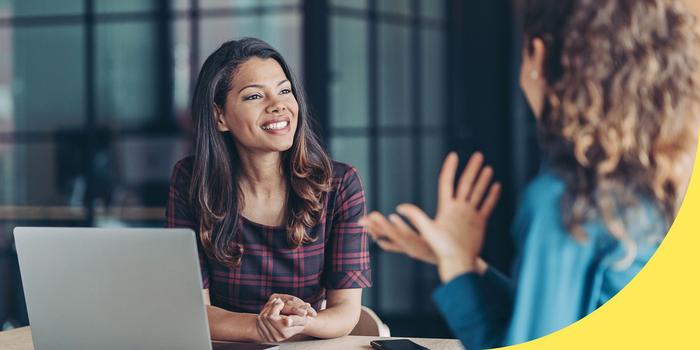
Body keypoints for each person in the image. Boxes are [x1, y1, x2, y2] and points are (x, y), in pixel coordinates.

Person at [361, 0, 700, 348]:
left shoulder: (569, 199)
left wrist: (459, 272)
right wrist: (464, 264)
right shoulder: (658, 181)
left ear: (537, 54)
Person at [166, 38, 371, 343]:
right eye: (254, 96)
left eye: (285, 90)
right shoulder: (191, 181)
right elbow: (192, 309)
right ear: (219, 116)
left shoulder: (339, 184)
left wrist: (299, 321)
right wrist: (259, 327)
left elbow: (345, 310)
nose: (278, 105)